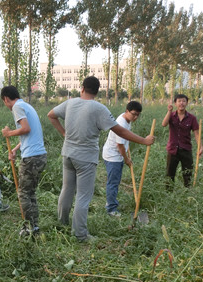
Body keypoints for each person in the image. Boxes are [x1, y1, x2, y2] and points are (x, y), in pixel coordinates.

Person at [47, 76, 154, 242]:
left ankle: (62, 223)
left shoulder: (70, 103)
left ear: (82, 88)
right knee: (83, 195)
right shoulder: (98, 108)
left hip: (67, 154)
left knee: (67, 189)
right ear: (97, 92)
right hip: (85, 159)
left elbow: (51, 115)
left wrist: (64, 133)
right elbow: (121, 131)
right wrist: (144, 141)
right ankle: (80, 235)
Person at [0, 85, 47, 236]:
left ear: (6, 99)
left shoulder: (17, 107)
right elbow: (29, 135)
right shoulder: (27, 105)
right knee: (30, 193)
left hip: (31, 157)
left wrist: (9, 133)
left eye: (4, 102)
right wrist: (15, 149)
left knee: (23, 194)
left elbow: (26, 129)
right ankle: (35, 227)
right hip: (39, 155)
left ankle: (28, 228)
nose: (6, 105)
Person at [101, 100, 143, 217]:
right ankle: (111, 209)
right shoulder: (122, 123)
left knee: (114, 181)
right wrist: (127, 159)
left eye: (137, 115)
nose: (135, 117)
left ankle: (110, 201)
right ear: (127, 111)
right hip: (113, 156)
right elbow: (119, 145)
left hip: (115, 154)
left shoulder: (126, 119)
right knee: (113, 183)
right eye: (133, 114)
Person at [162, 93, 203, 189]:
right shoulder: (171, 115)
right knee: (169, 174)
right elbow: (164, 124)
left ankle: (187, 193)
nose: (181, 103)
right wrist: (169, 111)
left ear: (187, 103)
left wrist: (200, 147)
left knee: (188, 173)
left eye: (184, 101)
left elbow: (196, 133)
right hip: (172, 149)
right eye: (179, 101)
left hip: (186, 149)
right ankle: (168, 193)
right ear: (175, 103)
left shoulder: (192, 118)